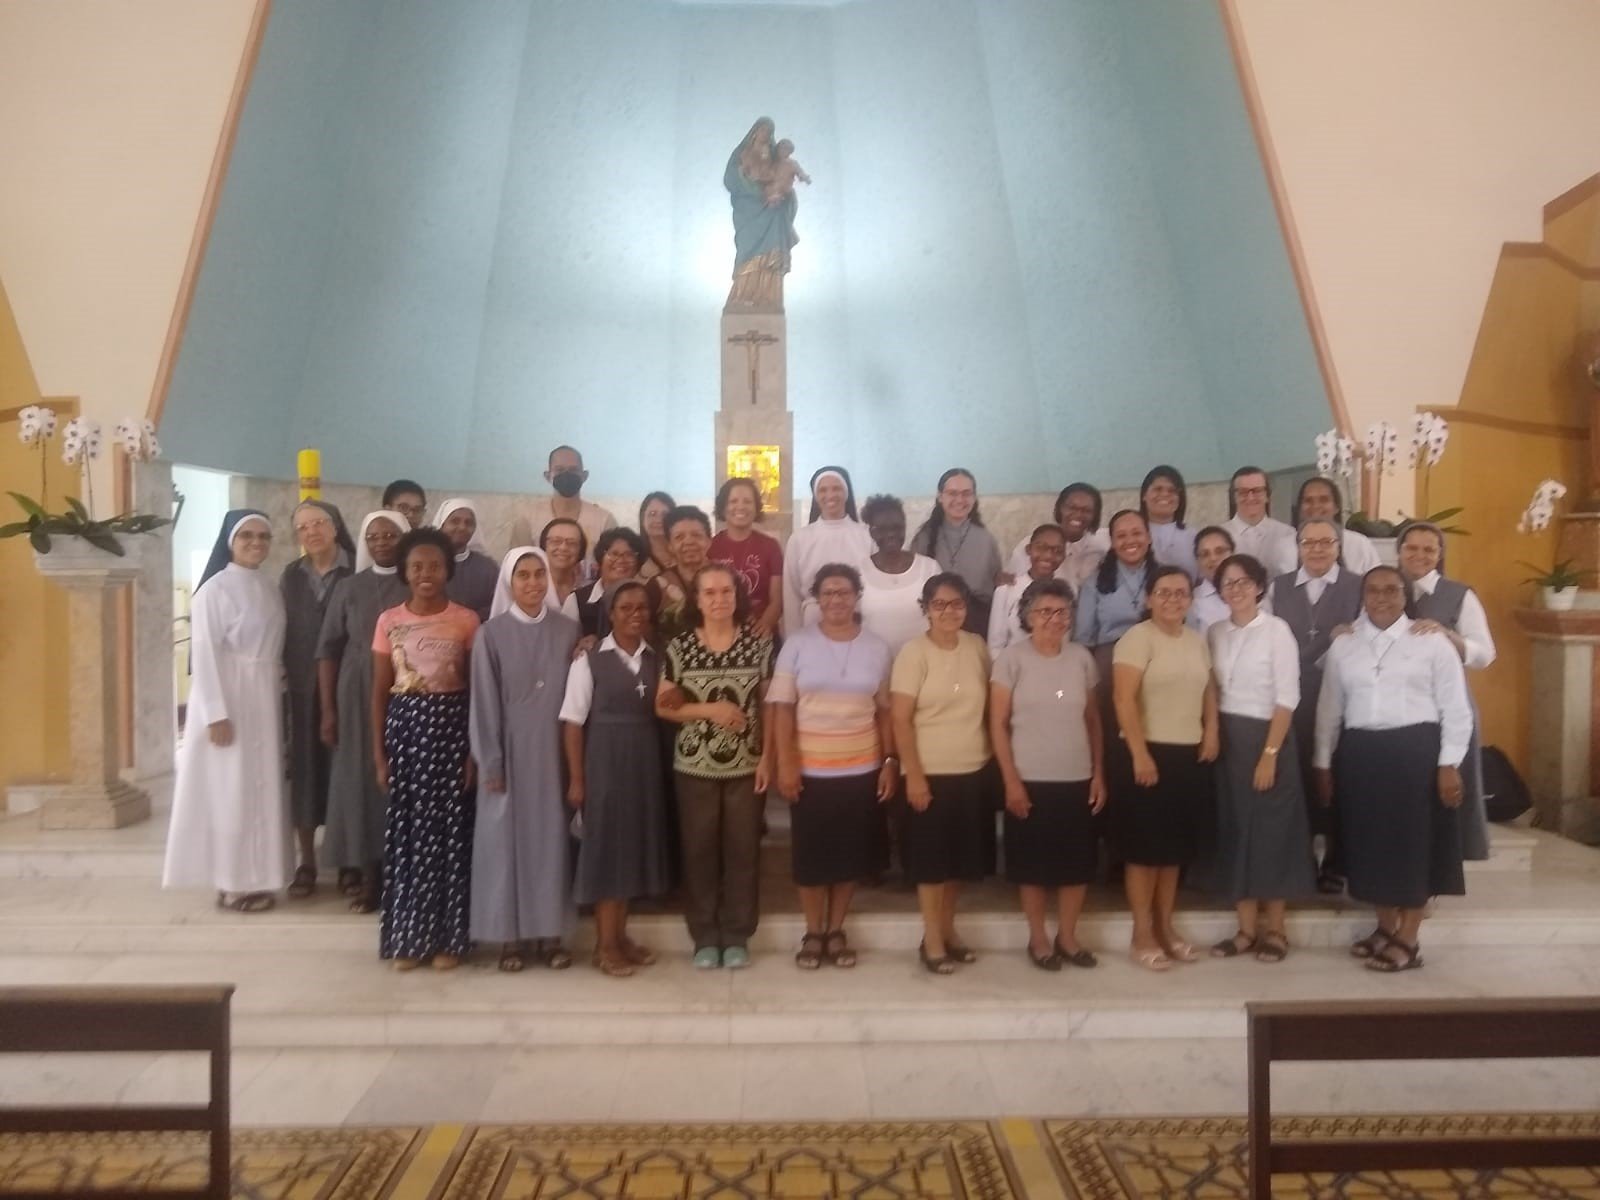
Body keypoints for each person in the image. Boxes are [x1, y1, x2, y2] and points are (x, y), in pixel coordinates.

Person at [1314, 566, 1473, 973]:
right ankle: (1385, 927)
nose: (1382, 598)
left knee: (1413, 846)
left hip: (1415, 754)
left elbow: (1456, 708)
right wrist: (1323, 763)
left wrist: (1449, 763)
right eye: (1373, 590)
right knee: (1370, 846)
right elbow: (1329, 709)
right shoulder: (1344, 645)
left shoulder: (1432, 642)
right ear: (1362, 596)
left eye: (1391, 590)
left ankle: (1409, 938)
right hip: (1361, 755)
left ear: (1406, 596)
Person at [163, 511, 291, 913]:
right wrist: (216, 713)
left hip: (264, 698)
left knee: (261, 788)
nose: (256, 542)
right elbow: (205, 654)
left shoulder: (269, 586)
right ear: (230, 542)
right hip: (230, 698)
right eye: (247, 535)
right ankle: (234, 882)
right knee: (231, 790)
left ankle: (259, 876)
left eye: (263, 536)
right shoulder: (213, 590)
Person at [770, 565, 896, 970]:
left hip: (861, 770)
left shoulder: (877, 647)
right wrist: (786, 762)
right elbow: (781, 707)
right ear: (817, 600)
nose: (836, 600)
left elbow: (885, 711)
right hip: (810, 771)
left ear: (857, 596)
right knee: (811, 858)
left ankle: (836, 929)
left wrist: (889, 762)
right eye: (828, 593)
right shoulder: (797, 644)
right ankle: (813, 931)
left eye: (843, 592)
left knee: (849, 856)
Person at [370, 528, 480, 970]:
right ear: (404, 571)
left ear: (448, 569)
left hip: (453, 732)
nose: (426, 573)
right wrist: (380, 755)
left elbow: (476, 690)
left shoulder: (467, 620)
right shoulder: (388, 621)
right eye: (416, 566)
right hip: (406, 736)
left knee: (452, 838)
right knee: (410, 839)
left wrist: (472, 752)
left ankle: (450, 941)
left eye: (434, 565)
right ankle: (408, 939)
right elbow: (379, 692)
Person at [656, 563, 774, 969]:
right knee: (699, 851)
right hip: (695, 767)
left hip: (747, 766)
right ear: (697, 599)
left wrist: (769, 757)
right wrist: (712, 710)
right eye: (710, 592)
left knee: (743, 852)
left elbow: (769, 706)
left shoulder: (758, 646)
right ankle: (705, 936)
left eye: (726, 591)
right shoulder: (680, 647)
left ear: (737, 597)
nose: (719, 599)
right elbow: (663, 706)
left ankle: (737, 934)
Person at [469, 546, 579, 973]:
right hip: (509, 754)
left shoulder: (568, 630)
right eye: (523, 576)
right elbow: (483, 703)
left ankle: (550, 936)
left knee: (550, 845)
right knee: (505, 846)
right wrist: (490, 760)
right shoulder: (490, 634)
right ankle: (508, 938)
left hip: (553, 754)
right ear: (509, 583)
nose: (533, 583)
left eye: (539, 574)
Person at [989, 579, 1104, 971]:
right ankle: (1038, 939)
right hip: (1028, 779)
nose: (1054, 619)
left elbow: (1093, 721)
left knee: (1076, 865)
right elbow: (997, 725)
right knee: (1032, 867)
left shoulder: (1081, 658)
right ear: (1027, 616)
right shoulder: (1011, 659)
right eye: (1044, 612)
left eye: (1061, 612)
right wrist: (1010, 781)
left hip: (1077, 777)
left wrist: (1099, 774)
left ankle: (1068, 937)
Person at [1206, 555, 1316, 964]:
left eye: (1243, 582)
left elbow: (1288, 697)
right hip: (1229, 741)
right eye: (1227, 583)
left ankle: (1276, 930)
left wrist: (1270, 754)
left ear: (1258, 586)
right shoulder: (1215, 632)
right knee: (1237, 830)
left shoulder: (1277, 631)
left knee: (1272, 833)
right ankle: (1245, 930)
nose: (1235, 589)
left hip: (1270, 738)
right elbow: (1212, 689)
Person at [561, 581, 671, 977]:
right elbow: (573, 723)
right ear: (610, 613)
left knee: (631, 852)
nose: (635, 614)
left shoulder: (655, 658)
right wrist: (577, 779)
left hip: (643, 763)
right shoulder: (589, 660)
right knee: (609, 854)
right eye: (625, 608)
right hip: (605, 763)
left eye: (642, 607)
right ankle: (604, 946)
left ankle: (621, 937)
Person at [1112, 565, 1219, 970]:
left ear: (1190, 600)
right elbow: (1123, 700)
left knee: (1173, 851)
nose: (1173, 599)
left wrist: (1211, 730)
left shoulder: (1196, 640)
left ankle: (1166, 927)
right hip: (1148, 753)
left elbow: (1209, 689)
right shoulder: (1137, 639)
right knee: (1144, 852)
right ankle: (1141, 933)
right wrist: (1139, 754)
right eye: (1164, 592)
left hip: (1187, 755)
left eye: (1180, 593)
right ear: (1149, 598)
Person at [890, 573, 993, 975]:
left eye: (957, 604)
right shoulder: (913, 653)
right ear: (926, 609)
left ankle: (948, 930)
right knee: (931, 864)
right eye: (940, 604)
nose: (949, 611)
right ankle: (931, 938)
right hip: (928, 773)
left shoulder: (977, 647)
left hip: (973, 769)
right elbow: (900, 720)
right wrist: (913, 775)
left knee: (959, 863)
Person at [317, 509, 409, 913]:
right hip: (356, 692)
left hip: (407, 688)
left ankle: (401, 875)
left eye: (390, 535)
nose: (382, 542)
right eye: (374, 536)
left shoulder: (417, 580)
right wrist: (328, 710)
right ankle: (368, 873)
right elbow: (327, 650)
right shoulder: (349, 587)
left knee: (401, 780)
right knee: (362, 783)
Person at [1270, 516, 1363, 893]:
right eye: (1309, 543)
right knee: (1299, 776)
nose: (1317, 550)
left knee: (1339, 776)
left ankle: (1337, 862)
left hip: (1343, 694)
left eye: (1326, 542)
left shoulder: (1358, 586)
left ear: (1339, 547)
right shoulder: (1279, 587)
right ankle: (1303, 858)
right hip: (1292, 696)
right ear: (1298, 548)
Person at [1397, 521, 1496, 862]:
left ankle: (1447, 861)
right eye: (1412, 548)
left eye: (1429, 549)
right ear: (1399, 551)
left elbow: (1485, 654)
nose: (1419, 555)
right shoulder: (1384, 587)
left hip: (1447, 706)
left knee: (1448, 785)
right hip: (1399, 706)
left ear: (1440, 555)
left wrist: (1448, 635)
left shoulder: (1459, 595)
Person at [280, 499, 355, 899]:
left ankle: (347, 861)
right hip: (301, 689)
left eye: (319, 523)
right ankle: (306, 861)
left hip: (349, 687)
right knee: (305, 772)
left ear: (335, 526)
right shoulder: (290, 576)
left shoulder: (356, 569)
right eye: (303, 527)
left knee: (345, 774)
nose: (311, 532)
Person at [911, 468, 1002, 636]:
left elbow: (996, 585)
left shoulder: (986, 539)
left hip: (978, 623)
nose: (960, 500)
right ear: (940, 497)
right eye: (952, 493)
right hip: (935, 622)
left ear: (974, 498)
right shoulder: (923, 539)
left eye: (966, 493)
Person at [783, 466, 874, 634]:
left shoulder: (866, 535)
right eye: (823, 490)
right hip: (812, 622)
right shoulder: (799, 539)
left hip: (858, 621)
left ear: (846, 493)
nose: (830, 495)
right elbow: (791, 595)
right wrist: (792, 638)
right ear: (816, 496)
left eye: (836, 488)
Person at [1074, 510, 1157, 682]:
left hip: (1158, 654)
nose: (1130, 541)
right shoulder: (1094, 582)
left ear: (1149, 537)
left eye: (1137, 533)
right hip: (1111, 659)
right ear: (1112, 542)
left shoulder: (1167, 577)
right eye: (1121, 536)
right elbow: (1084, 639)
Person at [725, 116, 798, 310]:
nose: (765, 134)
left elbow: (784, 176)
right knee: (747, 249)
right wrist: (745, 180)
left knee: (773, 243)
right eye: (763, 129)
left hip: (771, 206)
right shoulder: (742, 153)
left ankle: (768, 297)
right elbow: (730, 178)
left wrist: (783, 193)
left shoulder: (773, 157)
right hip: (748, 208)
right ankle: (742, 294)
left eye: (769, 131)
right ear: (755, 131)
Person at [858, 494, 942, 657]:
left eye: (897, 527)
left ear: (905, 527)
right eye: (882, 529)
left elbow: (941, 617)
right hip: (874, 663)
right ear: (871, 532)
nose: (891, 534)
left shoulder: (930, 568)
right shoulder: (858, 572)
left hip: (923, 662)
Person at [509, 445, 618, 566]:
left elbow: (613, 567)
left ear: (584, 476)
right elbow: (517, 567)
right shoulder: (527, 520)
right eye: (559, 470)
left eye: (573, 470)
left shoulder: (604, 521)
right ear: (548, 476)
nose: (567, 475)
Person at [710, 477, 784, 639]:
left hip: (762, 633)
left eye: (748, 501)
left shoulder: (770, 546)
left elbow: (777, 599)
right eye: (733, 501)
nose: (741, 506)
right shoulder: (711, 546)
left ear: (756, 508)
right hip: (720, 633)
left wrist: (764, 625)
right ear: (723, 507)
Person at [1006, 483, 1107, 592]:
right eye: (1072, 508)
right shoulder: (1033, 545)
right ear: (1060, 508)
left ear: (1095, 515)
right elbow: (1013, 584)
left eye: (1087, 510)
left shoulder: (1100, 545)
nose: (1078, 514)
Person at [988, 524, 1066, 653]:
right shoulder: (1007, 590)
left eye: (1057, 551)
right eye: (1041, 548)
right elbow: (995, 645)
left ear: (1064, 556)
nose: (1048, 555)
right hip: (1015, 663)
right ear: (1029, 549)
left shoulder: (1067, 591)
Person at [566, 527, 646, 640]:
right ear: (601, 558)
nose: (621, 560)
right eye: (614, 554)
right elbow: (564, 644)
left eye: (629, 554)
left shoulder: (647, 599)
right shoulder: (576, 600)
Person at [650, 505, 715, 644]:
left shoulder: (727, 580)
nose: (689, 542)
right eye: (679, 537)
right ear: (670, 546)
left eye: (696, 535)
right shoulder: (657, 586)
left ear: (709, 541)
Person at [1294, 476, 1380, 576]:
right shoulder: (1284, 546)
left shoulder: (1359, 543)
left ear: (1336, 507)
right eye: (1308, 500)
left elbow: (1377, 579)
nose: (1316, 506)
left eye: (1324, 500)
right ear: (1300, 508)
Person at [1222, 466, 1297, 576]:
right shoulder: (1220, 535)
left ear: (1267, 495)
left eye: (1257, 491)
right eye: (1243, 492)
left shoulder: (1288, 533)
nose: (1250, 498)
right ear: (1233, 497)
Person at [433, 497, 498, 623]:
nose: (462, 527)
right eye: (455, 521)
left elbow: (496, 606)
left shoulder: (488, 567)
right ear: (441, 525)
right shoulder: (427, 564)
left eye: (469, 523)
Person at [1139, 465, 1196, 577]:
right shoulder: (1132, 535)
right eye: (1158, 489)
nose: (1165, 494)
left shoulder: (1193, 536)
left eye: (1172, 490)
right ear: (1144, 495)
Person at [1189, 526, 1235, 631]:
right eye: (1205, 554)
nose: (1213, 558)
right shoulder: (1191, 601)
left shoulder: (1253, 591)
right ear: (1197, 561)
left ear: (1232, 553)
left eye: (1220, 551)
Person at [539, 517, 587, 610]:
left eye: (572, 543)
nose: (563, 548)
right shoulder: (531, 585)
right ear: (544, 545)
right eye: (556, 541)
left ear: (581, 550)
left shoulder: (588, 588)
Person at [637, 491, 677, 583]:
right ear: (642, 520)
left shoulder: (685, 553)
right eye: (652, 514)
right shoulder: (635, 558)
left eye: (665, 514)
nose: (659, 519)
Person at [764, 138, 812, 205]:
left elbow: (800, 172)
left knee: (783, 193)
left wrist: (804, 177)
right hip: (771, 188)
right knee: (769, 190)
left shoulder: (792, 163)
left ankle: (776, 199)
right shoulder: (773, 162)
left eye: (786, 149)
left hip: (785, 190)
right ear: (777, 149)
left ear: (790, 152)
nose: (783, 151)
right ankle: (773, 199)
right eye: (781, 149)